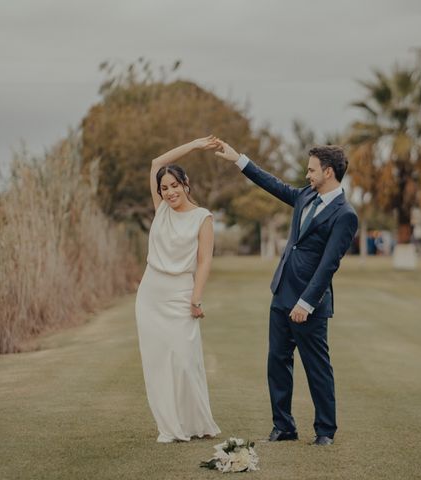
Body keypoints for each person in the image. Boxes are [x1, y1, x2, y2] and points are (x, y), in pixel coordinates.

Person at [214, 140, 358, 446]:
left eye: (312, 170)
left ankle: (325, 431)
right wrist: (239, 159)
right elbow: (274, 185)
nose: (307, 175)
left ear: (328, 172)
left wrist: (306, 302)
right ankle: (283, 426)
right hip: (281, 292)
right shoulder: (306, 195)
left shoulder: (345, 214)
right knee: (277, 361)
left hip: (310, 303)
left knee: (316, 367)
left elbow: (329, 264)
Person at [134, 136, 221, 443]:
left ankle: (197, 423)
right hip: (150, 294)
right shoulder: (161, 211)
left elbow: (204, 260)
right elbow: (156, 163)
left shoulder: (203, 218)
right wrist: (195, 144)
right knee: (157, 362)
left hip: (182, 293)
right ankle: (169, 427)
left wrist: (196, 298)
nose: (169, 192)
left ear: (186, 183)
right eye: (164, 188)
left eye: (174, 185)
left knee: (185, 361)